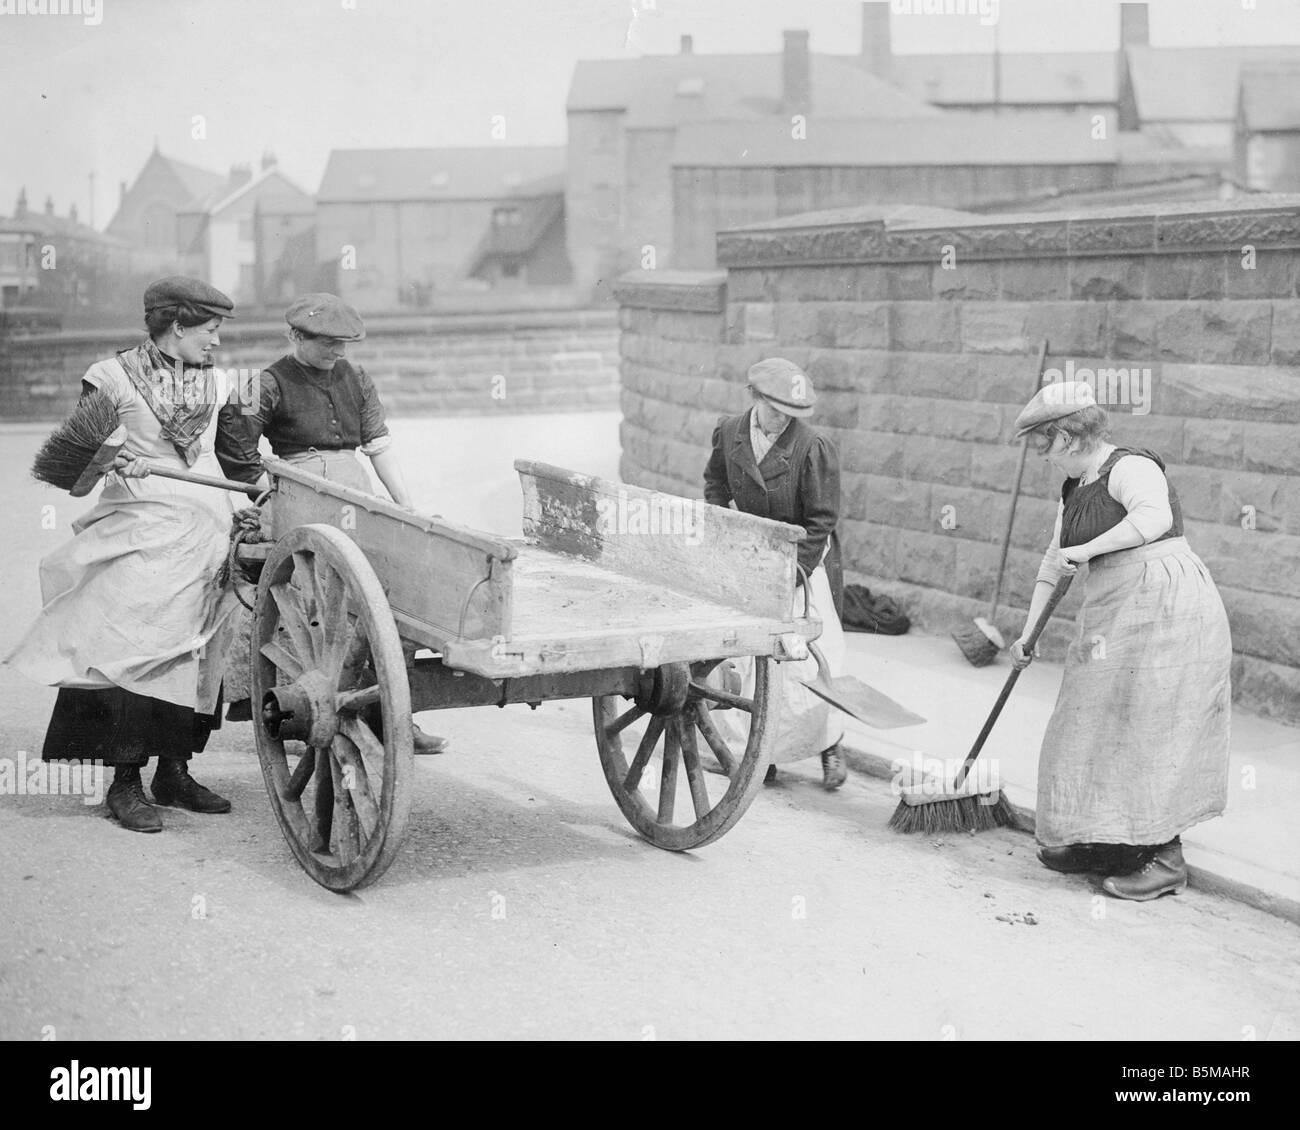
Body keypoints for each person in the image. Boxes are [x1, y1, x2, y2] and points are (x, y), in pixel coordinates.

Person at [5, 277, 245, 832]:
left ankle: (175, 771)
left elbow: (235, 458)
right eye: (209, 330)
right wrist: (115, 459)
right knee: (134, 650)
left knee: (198, 649)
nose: (216, 342)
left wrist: (264, 487)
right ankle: (126, 782)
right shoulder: (109, 378)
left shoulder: (222, 382)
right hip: (140, 526)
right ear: (177, 325)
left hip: (207, 529)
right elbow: (75, 471)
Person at [1009, 381, 1232, 900]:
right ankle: (1103, 840)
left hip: (1168, 608)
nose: (1041, 459)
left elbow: (1152, 520)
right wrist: (1026, 636)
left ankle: (1164, 857)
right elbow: (1053, 560)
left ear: (1066, 437)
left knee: (1150, 728)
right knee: (1090, 720)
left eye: (1043, 446)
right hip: (1117, 611)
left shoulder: (1131, 467)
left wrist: (1087, 550)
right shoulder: (1075, 487)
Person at [214, 293, 446, 754]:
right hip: (299, 495)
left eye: (344, 344)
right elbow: (234, 448)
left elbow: (378, 444)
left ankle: (392, 717)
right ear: (295, 336)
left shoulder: (356, 378)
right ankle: (305, 714)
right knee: (309, 603)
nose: (337, 353)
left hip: (354, 491)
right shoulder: (266, 383)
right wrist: (271, 490)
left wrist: (406, 506)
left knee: (384, 597)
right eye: (327, 344)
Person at [702, 357, 847, 790]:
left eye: (792, 413)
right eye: (775, 408)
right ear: (756, 398)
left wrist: (793, 573)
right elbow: (714, 486)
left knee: (814, 659)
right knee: (746, 657)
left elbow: (822, 521)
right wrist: (726, 534)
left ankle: (830, 745)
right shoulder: (729, 432)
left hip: (803, 561)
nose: (783, 418)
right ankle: (756, 753)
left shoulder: (812, 446)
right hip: (751, 561)